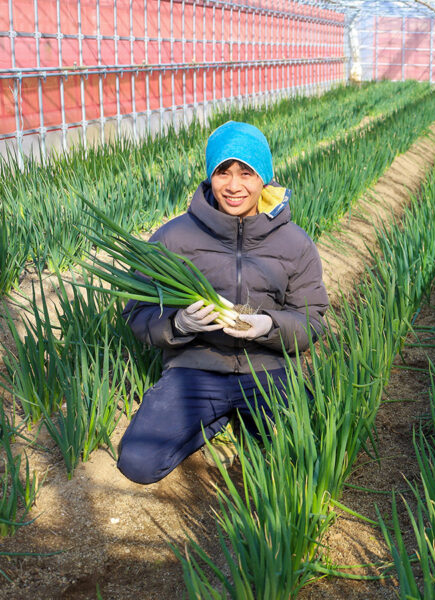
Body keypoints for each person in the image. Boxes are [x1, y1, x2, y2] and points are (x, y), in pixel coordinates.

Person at [117, 121, 329, 485]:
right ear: (209, 177)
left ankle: (238, 417)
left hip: (268, 370)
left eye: (246, 173)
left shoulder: (294, 243)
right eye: (222, 172)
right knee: (138, 462)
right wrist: (177, 324)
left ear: (264, 178)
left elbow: (312, 320)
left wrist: (268, 326)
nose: (233, 186)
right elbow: (136, 312)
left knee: (306, 458)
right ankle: (217, 417)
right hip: (195, 368)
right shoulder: (175, 236)